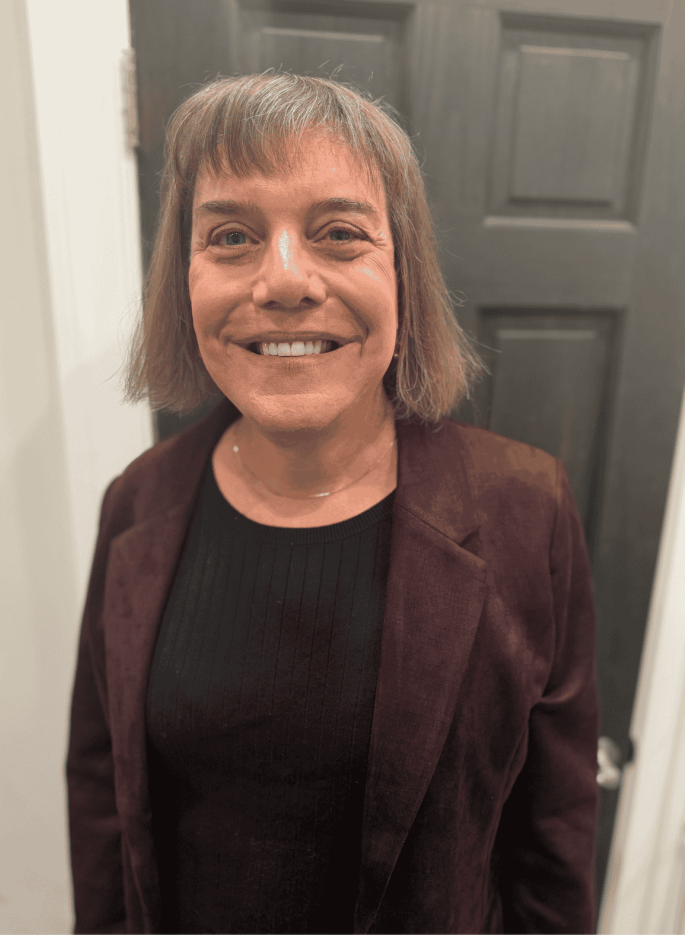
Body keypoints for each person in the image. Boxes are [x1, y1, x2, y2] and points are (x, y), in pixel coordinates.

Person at [65, 71, 599, 934]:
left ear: (404, 271)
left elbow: (554, 838)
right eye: (232, 234)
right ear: (184, 274)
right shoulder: (138, 505)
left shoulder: (524, 510)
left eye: (339, 233)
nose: (283, 281)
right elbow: (101, 795)